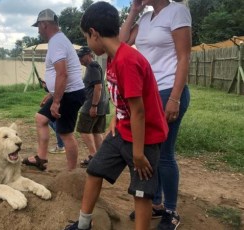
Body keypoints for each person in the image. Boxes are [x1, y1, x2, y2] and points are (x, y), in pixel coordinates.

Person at [64, 2, 168, 230]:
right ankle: (83, 225)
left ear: (94, 33)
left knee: (142, 192)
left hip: (145, 138)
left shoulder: (127, 60)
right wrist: (116, 117)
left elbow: (139, 111)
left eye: (86, 37)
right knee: (94, 170)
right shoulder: (112, 57)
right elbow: (123, 99)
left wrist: (139, 154)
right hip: (121, 129)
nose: (88, 43)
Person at [119, 0, 191, 229]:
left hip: (169, 90)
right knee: (152, 152)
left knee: (165, 154)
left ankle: (171, 210)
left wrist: (175, 98)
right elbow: (121, 42)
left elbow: (184, 57)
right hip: (148, 93)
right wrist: (133, 11)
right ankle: (156, 203)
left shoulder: (177, 11)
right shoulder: (145, 18)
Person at [22, 9, 85, 171]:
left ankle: (71, 173)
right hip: (66, 92)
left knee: (65, 133)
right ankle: (41, 159)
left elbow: (62, 73)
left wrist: (56, 101)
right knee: (41, 118)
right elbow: (64, 73)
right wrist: (52, 95)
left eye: (38, 26)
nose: (37, 30)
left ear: (44, 24)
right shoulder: (59, 40)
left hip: (69, 95)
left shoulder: (57, 41)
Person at [75, 46, 109, 168]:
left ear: (89, 55)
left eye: (82, 57)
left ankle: (93, 156)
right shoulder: (94, 66)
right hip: (102, 105)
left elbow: (98, 87)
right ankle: (100, 157)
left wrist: (94, 106)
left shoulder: (92, 67)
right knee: (96, 131)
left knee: (84, 130)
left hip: (93, 104)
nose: (80, 60)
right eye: (79, 57)